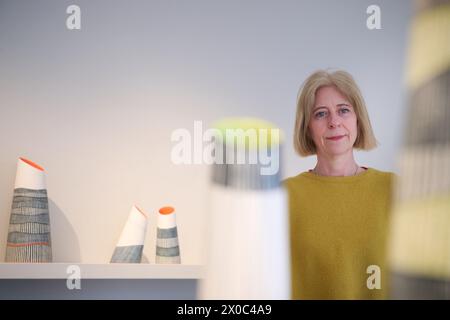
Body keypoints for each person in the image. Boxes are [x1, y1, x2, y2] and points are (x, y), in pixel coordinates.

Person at [284, 69, 395, 299]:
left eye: (343, 111)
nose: (334, 122)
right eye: (321, 114)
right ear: (307, 127)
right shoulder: (283, 195)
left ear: (357, 119)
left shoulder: (394, 189)